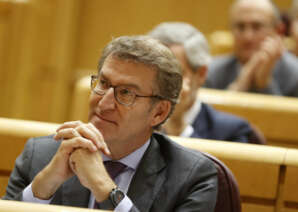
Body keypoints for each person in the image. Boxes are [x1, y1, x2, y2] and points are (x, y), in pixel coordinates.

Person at [3, 36, 218, 211]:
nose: (103, 102)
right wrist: (43, 187)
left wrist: (105, 188)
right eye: (103, 83)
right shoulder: (41, 155)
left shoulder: (192, 178)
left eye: (126, 93)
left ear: (159, 113)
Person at [149, 22, 264, 144]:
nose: (160, 84)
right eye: (155, 73)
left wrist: (178, 126)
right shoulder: (134, 122)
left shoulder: (232, 132)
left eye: (172, 74)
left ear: (201, 74)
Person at [205, 0, 298, 98]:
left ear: (278, 31)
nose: (247, 37)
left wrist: (265, 84)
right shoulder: (212, 71)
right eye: (240, 26)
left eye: (257, 26)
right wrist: (240, 84)